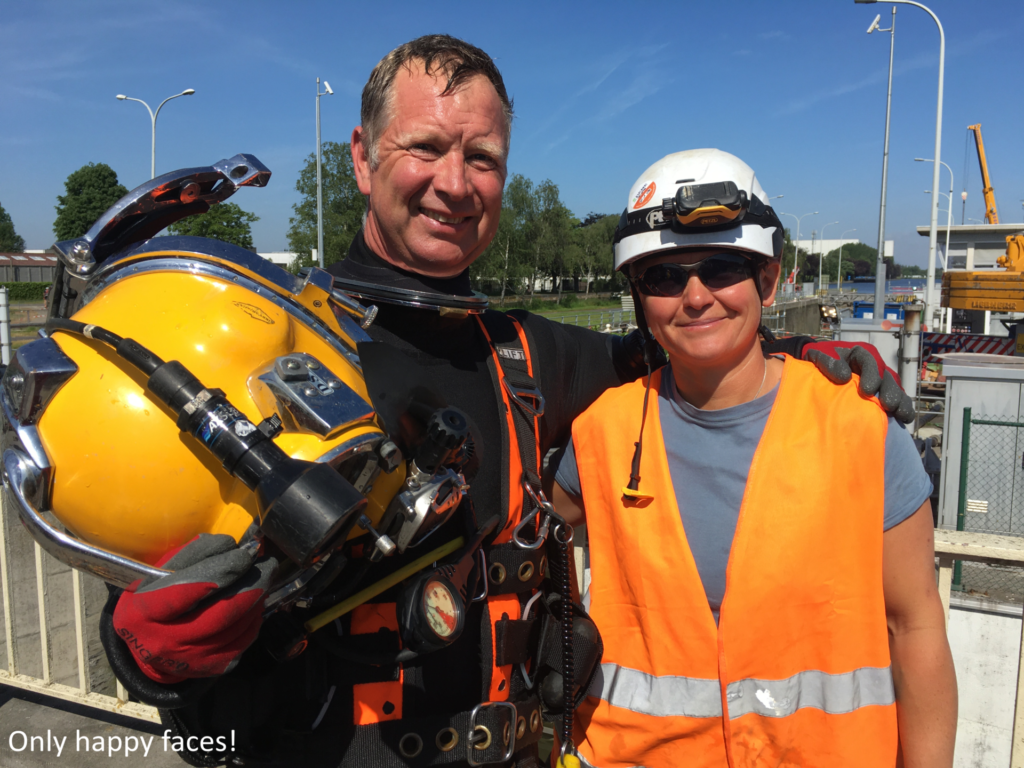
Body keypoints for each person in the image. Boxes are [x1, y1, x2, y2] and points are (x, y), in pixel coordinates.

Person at [103, 38, 915, 768]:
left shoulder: (529, 356)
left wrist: (801, 353)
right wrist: (137, 648)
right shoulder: (265, 349)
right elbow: (157, 582)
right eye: (424, 146)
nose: (453, 183)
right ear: (361, 157)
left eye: (481, 157)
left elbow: (687, 343)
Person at [550, 149, 957, 768]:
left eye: (720, 269)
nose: (694, 296)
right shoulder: (601, 435)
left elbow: (916, 627)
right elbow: (510, 538)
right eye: (662, 276)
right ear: (639, 298)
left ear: (768, 280)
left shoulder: (858, 426)